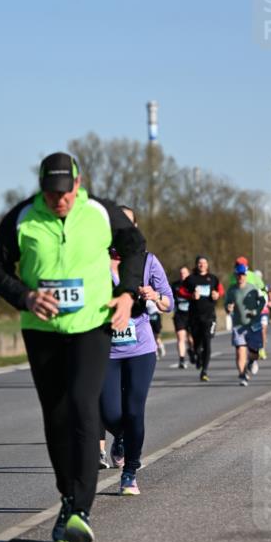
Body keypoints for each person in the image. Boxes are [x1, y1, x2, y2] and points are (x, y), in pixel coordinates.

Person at [0, 152, 145, 542]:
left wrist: (126, 293)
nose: (60, 200)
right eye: (51, 193)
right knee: (56, 417)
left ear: (78, 184)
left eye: (66, 192)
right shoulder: (22, 217)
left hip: (92, 326)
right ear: (43, 188)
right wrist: (25, 296)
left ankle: (82, 511)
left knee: (82, 406)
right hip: (42, 332)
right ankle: (68, 499)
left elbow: (135, 247)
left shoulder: (101, 212)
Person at [100, 207, 173, 496]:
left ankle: (130, 471)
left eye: (128, 223)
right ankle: (119, 436)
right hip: (105, 346)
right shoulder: (96, 260)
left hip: (140, 346)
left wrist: (155, 296)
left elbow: (169, 301)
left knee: (134, 410)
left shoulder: (147, 261)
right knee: (108, 412)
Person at [181, 255, 223, 382]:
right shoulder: (191, 279)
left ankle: (204, 371)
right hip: (194, 316)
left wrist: (217, 294)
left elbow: (221, 291)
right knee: (197, 344)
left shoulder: (213, 279)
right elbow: (180, 291)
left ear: (207, 265)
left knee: (207, 342)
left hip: (209, 316)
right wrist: (191, 295)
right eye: (199, 263)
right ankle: (196, 355)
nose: (202, 265)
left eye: (204, 262)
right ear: (196, 264)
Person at [224, 263, 266, 386]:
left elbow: (262, 301)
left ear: (246, 275)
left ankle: (251, 363)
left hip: (253, 325)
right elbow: (227, 305)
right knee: (240, 351)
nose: (240, 277)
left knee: (254, 353)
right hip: (238, 325)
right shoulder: (232, 290)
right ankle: (242, 375)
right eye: (238, 275)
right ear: (235, 276)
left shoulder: (253, 288)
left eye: (243, 275)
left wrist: (256, 311)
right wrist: (228, 308)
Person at [171, 265, 192, 368]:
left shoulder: (193, 284)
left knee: (191, 339)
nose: (182, 275)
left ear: (188, 274)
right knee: (180, 337)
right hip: (179, 314)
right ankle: (182, 359)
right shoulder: (175, 285)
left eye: (184, 273)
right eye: (181, 273)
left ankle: (191, 350)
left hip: (191, 314)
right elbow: (170, 298)